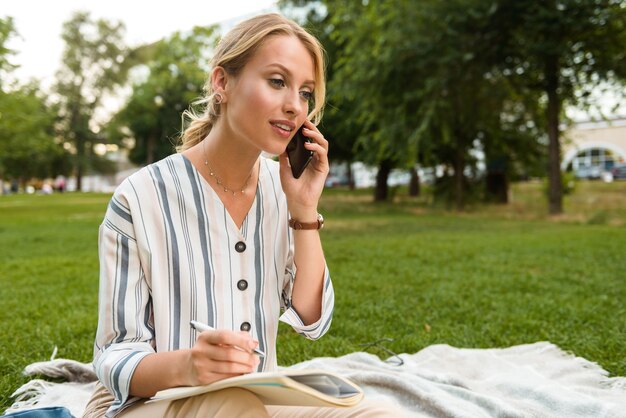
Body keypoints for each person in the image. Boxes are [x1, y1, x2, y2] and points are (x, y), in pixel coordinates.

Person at [83, 13, 404, 418]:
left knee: (379, 413)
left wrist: (304, 210)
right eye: (277, 81)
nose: (294, 106)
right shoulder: (139, 197)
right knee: (233, 406)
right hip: (150, 404)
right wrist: (189, 366)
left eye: (305, 93)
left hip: (256, 397)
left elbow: (311, 319)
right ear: (222, 83)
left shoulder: (281, 188)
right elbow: (114, 357)